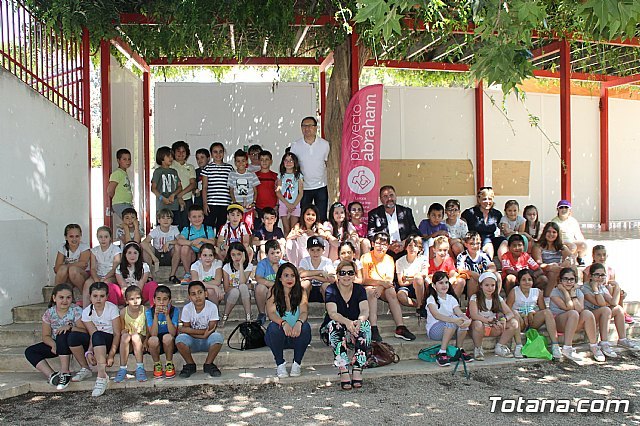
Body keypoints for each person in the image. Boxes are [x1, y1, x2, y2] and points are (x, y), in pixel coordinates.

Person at [24, 283, 86, 390]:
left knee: (62, 333)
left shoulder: (76, 310)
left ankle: (65, 372)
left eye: (68, 297)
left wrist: (70, 327)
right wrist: (53, 344)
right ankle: (52, 375)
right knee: (30, 351)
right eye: (61, 297)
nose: (65, 301)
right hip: (57, 344)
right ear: (54, 298)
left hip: (73, 344)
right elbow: (46, 335)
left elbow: (84, 331)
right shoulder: (49, 313)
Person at [361, 231, 416, 342]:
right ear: (372, 244)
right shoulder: (365, 257)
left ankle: (400, 327)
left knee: (391, 291)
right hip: (369, 286)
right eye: (378, 243)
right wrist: (381, 283)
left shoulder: (389, 259)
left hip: (383, 287)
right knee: (371, 292)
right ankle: (373, 327)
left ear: (388, 246)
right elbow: (364, 279)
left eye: (384, 244)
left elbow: (389, 279)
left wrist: (381, 286)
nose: (381, 247)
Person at [325, 260, 371, 389]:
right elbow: (332, 313)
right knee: (335, 324)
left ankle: (358, 367)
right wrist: (348, 322)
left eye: (350, 273)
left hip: (354, 331)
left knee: (366, 324)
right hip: (333, 331)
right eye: (343, 273)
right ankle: (343, 368)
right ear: (338, 275)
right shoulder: (331, 289)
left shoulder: (359, 289)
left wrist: (359, 321)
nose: (346, 276)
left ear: (354, 275)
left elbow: (365, 310)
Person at [580, 263, 639, 355]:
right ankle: (604, 342)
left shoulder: (602, 287)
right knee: (606, 310)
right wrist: (595, 289)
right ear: (590, 276)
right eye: (597, 275)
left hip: (601, 314)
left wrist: (617, 287)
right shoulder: (585, 288)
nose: (600, 278)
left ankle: (622, 339)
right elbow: (601, 304)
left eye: (602, 275)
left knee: (618, 309)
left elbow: (613, 302)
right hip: (589, 317)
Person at [264, 263, 311, 378]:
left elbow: (304, 312)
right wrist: (283, 323)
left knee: (305, 327)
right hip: (278, 337)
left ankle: (297, 364)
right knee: (273, 328)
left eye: (292, 275)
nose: (290, 279)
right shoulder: (273, 291)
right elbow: (271, 313)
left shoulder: (301, 291)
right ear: (280, 278)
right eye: (286, 275)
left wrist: (299, 323)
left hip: (295, 335)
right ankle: (280, 364)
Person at [549, 267, 604, 362]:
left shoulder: (578, 292)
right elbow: (569, 307)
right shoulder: (555, 292)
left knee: (587, 313)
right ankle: (567, 347)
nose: (568, 282)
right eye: (565, 279)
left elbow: (580, 309)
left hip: (573, 321)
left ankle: (594, 346)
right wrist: (565, 292)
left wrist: (573, 293)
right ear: (560, 281)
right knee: (573, 313)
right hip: (558, 322)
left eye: (571, 279)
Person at [506, 269, 562, 360]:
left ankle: (555, 345)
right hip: (519, 321)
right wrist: (522, 315)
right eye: (523, 280)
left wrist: (532, 312)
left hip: (532, 320)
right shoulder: (514, 291)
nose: (527, 282)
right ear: (519, 281)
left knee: (547, 312)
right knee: (515, 313)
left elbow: (543, 309)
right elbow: (507, 310)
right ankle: (519, 346)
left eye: (529, 279)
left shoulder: (537, 292)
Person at [79, 282, 121, 397]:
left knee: (99, 335)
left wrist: (111, 355)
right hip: (97, 340)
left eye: (102, 296)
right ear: (90, 297)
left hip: (111, 340)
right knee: (80, 336)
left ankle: (101, 376)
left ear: (107, 297)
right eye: (95, 296)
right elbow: (93, 334)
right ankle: (101, 375)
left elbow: (117, 334)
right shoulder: (86, 312)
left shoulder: (112, 309)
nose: (98, 299)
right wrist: (89, 351)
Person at [176, 281, 224, 378]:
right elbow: (185, 330)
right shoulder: (187, 308)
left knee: (218, 337)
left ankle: (208, 364)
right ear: (189, 297)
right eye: (193, 294)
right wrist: (202, 334)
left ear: (205, 293)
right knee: (180, 339)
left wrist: (189, 330)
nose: (197, 296)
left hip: (208, 340)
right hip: (193, 341)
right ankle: (190, 364)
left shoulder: (212, 307)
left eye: (200, 292)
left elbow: (211, 329)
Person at [425, 271, 473, 367]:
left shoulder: (451, 298)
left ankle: (459, 350)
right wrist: (454, 320)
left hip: (450, 329)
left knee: (461, 320)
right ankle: (442, 352)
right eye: (441, 283)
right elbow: (437, 315)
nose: (444, 285)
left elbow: (459, 313)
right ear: (434, 285)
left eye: (446, 282)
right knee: (452, 319)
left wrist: (467, 320)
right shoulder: (431, 299)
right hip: (435, 330)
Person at [469, 272, 519, 360]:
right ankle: (478, 348)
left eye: (492, 285)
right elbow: (474, 315)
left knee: (513, 323)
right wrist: (489, 321)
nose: (490, 288)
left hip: (493, 327)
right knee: (478, 324)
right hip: (480, 327)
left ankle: (500, 346)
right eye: (487, 285)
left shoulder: (497, 298)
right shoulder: (475, 297)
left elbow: (510, 313)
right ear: (481, 286)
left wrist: (503, 319)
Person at [290, 116, 330, 222]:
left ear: (316, 128)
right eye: (304, 126)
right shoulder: (295, 145)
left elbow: (326, 162)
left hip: (321, 185)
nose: (307, 128)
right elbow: (292, 165)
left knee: (321, 216)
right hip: (303, 187)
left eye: (310, 126)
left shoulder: (325, 144)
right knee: (304, 217)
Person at [583, 245, 634, 324]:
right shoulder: (588, 270)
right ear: (593, 256)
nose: (602, 257)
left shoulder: (610, 270)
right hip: (595, 296)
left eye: (604, 255)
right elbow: (588, 285)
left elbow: (612, 283)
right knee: (608, 288)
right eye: (599, 255)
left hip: (606, 294)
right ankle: (613, 310)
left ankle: (622, 312)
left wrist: (618, 290)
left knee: (613, 288)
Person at [367, 185, 419, 259]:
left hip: (404, 249)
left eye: (391, 195)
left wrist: (404, 243)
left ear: (395, 196)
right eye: (385, 196)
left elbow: (414, 231)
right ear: (381, 199)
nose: (389, 199)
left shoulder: (406, 212)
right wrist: (387, 246)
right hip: (384, 250)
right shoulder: (374, 214)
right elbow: (371, 235)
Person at [114, 286, 147, 383]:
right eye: (132, 299)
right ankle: (122, 368)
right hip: (129, 341)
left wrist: (146, 341)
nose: (135, 301)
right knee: (125, 336)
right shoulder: (123, 312)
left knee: (136, 337)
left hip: (141, 339)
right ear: (126, 300)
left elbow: (149, 329)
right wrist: (124, 332)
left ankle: (140, 368)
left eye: (138, 298)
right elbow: (122, 329)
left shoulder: (145, 310)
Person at [176, 204, 216, 284]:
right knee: (184, 248)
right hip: (192, 255)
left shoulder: (208, 229)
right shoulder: (187, 229)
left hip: (205, 255)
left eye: (199, 216)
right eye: (194, 217)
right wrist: (192, 243)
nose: (197, 219)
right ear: (189, 218)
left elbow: (213, 242)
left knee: (214, 250)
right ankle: (188, 274)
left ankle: (213, 274)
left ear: (203, 217)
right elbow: (180, 240)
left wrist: (201, 239)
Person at [461, 187, 504, 260]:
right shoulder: (469, 213)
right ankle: (488, 263)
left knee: (504, 241)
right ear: (479, 199)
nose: (487, 202)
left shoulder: (496, 214)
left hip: (491, 240)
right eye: (484, 199)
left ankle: (505, 264)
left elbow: (502, 227)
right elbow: (461, 227)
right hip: (474, 242)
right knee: (488, 243)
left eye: (490, 199)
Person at [109, 242, 158, 307]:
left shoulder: (144, 266)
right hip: (124, 296)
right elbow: (123, 285)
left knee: (153, 284)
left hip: (139, 295)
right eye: (129, 253)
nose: (132, 256)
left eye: (135, 253)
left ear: (139, 254)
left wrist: (135, 299)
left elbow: (141, 284)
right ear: (125, 254)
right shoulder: (119, 267)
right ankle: (113, 309)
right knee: (110, 286)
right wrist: (128, 300)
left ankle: (154, 308)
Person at [146, 285, 180, 379]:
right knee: (152, 340)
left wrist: (167, 316)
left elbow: (173, 333)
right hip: (157, 340)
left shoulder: (174, 310)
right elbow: (153, 334)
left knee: (167, 337)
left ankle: (169, 363)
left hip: (170, 342)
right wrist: (156, 316)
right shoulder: (149, 312)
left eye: (165, 299)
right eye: (158, 299)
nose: (161, 302)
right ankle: (157, 364)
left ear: (169, 301)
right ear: (154, 300)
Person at [531, 222, 572, 297]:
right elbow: (538, 263)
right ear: (544, 232)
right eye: (548, 231)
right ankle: (547, 296)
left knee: (572, 267)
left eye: (554, 232)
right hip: (544, 271)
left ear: (557, 234)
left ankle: (572, 293)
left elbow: (571, 257)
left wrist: (567, 261)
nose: (551, 234)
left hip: (558, 269)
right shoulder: (538, 246)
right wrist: (549, 267)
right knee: (553, 272)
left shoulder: (561, 247)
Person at [84, 226, 121, 307]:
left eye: (106, 237)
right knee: (87, 283)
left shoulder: (116, 250)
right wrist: (96, 279)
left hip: (111, 275)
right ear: (97, 238)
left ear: (110, 238)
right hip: (98, 274)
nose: (103, 239)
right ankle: (85, 308)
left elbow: (114, 268)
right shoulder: (94, 251)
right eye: (100, 237)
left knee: (105, 284)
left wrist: (104, 278)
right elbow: (93, 268)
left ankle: (108, 307)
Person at [456, 231, 499, 299]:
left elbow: (492, 266)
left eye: (478, 243)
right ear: (466, 244)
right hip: (469, 282)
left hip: (484, 280)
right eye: (472, 244)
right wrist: (472, 273)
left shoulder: (483, 255)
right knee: (472, 279)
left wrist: (486, 272)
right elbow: (460, 270)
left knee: (497, 275)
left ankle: (495, 299)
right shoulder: (462, 256)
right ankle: (472, 302)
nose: (475, 246)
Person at [202, 142, 234, 232]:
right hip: (211, 203)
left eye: (220, 151)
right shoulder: (207, 168)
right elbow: (204, 188)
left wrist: (232, 202)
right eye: (215, 152)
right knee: (208, 227)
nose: (218, 154)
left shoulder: (229, 168)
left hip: (225, 203)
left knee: (222, 227)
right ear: (211, 154)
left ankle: (219, 241)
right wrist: (205, 204)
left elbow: (231, 187)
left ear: (223, 153)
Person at [220, 242, 255, 325]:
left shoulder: (249, 266)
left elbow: (242, 282)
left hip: (245, 296)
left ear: (243, 254)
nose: (236, 257)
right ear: (230, 255)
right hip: (231, 296)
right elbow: (226, 288)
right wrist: (246, 286)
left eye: (239, 254)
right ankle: (225, 317)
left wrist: (241, 265)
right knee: (236, 291)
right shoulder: (226, 267)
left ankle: (248, 317)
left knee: (243, 287)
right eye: (233, 255)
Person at [142, 208, 181, 278]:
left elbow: (181, 241)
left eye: (168, 218)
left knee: (178, 246)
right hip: (157, 255)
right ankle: (149, 275)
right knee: (147, 246)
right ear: (159, 220)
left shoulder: (174, 229)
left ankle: (172, 275)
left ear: (172, 220)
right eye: (163, 218)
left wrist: (169, 242)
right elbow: (143, 243)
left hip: (169, 255)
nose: (166, 220)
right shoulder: (155, 230)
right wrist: (153, 257)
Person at [394, 234, 428, 315]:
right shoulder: (399, 261)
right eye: (409, 245)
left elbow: (424, 274)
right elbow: (401, 282)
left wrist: (408, 278)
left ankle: (420, 307)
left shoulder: (423, 259)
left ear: (419, 248)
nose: (412, 248)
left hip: (420, 286)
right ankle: (418, 305)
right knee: (401, 295)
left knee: (418, 279)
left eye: (415, 246)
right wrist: (415, 277)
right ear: (405, 247)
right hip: (406, 287)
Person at [255, 240, 285, 325]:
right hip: (267, 288)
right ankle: (262, 313)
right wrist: (273, 285)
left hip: (280, 290)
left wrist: (277, 271)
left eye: (278, 252)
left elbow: (287, 281)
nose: (276, 255)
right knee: (259, 288)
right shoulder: (262, 264)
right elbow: (258, 279)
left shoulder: (284, 265)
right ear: (266, 254)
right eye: (272, 253)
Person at [228, 149, 260, 229]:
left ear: (246, 162)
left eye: (243, 161)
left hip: (249, 208)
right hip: (237, 209)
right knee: (237, 227)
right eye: (238, 161)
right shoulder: (232, 174)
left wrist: (253, 202)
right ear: (235, 162)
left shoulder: (251, 174)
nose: (241, 163)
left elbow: (255, 191)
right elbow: (231, 191)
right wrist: (235, 203)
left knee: (248, 228)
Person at [299, 236, 335, 303]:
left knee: (326, 285)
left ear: (323, 250)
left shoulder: (327, 261)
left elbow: (332, 279)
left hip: (322, 291)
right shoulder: (305, 261)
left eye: (318, 250)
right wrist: (320, 272)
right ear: (308, 250)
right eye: (312, 250)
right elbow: (301, 273)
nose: (315, 253)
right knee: (305, 284)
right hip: (309, 290)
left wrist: (313, 277)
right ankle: (303, 307)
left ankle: (329, 308)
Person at [276, 151, 304, 236]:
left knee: (293, 230)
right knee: (286, 229)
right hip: (284, 204)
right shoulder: (281, 176)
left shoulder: (299, 176)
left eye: (291, 160)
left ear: (295, 162)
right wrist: (287, 204)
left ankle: (293, 244)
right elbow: (278, 192)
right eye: (286, 160)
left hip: (295, 204)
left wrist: (293, 205)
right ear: (283, 162)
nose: (288, 162)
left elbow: (301, 193)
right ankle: (286, 243)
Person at [551, 199, 587, 265]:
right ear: (557, 209)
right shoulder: (554, 222)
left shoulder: (573, 221)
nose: (564, 209)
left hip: (571, 242)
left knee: (583, 245)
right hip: (560, 243)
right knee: (572, 246)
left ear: (570, 210)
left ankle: (580, 258)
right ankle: (566, 261)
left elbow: (578, 234)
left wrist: (582, 242)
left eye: (566, 207)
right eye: (561, 207)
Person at [170, 140, 197, 230]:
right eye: (178, 151)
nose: (181, 154)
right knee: (174, 225)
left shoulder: (190, 167)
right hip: (173, 200)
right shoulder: (170, 166)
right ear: (173, 152)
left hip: (187, 200)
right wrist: (178, 197)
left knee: (185, 225)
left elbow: (193, 184)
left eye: (183, 151)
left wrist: (180, 195)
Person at [54, 224, 90, 288]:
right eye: (71, 236)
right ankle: (57, 292)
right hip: (67, 275)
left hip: (81, 275)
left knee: (72, 270)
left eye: (77, 236)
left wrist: (66, 266)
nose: (74, 239)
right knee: (63, 269)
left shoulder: (84, 247)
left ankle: (82, 292)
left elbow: (83, 264)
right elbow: (57, 268)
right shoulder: (63, 247)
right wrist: (65, 267)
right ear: (66, 237)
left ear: (80, 236)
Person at [151, 146, 182, 218]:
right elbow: (153, 188)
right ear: (161, 157)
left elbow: (180, 187)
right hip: (161, 206)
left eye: (172, 156)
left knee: (174, 223)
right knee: (162, 223)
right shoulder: (158, 171)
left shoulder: (174, 171)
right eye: (168, 156)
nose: (171, 158)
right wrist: (162, 198)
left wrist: (173, 195)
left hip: (174, 205)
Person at [106, 148, 133, 230]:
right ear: (118, 160)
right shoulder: (117, 173)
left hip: (127, 203)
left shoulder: (124, 173)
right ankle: (121, 231)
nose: (127, 161)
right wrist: (117, 200)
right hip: (121, 203)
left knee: (131, 223)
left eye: (129, 159)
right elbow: (110, 190)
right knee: (131, 222)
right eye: (124, 159)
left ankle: (123, 230)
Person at [254, 150, 278, 229]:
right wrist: (253, 208)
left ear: (271, 162)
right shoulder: (254, 176)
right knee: (258, 231)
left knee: (272, 231)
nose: (264, 162)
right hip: (258, 208)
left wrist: (277, 206)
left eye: (267, 159)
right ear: (259, 162)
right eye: (262, 159)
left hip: (272, 208)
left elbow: (279, 192)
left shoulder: (275, 176)